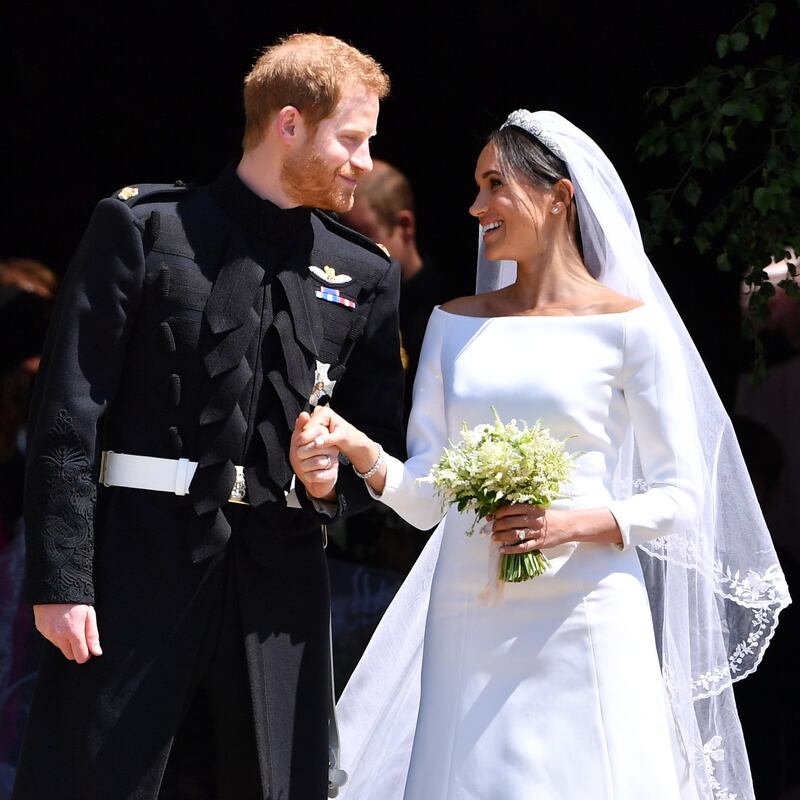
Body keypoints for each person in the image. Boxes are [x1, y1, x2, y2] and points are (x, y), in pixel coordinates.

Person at [291, 111, 791, 799]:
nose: (475, 206)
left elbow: (682, 497)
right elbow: (429, 498)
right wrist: (362, 451)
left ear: (558, 197)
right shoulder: (451, 324)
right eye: (476, 186)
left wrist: (570, 524)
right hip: (468, 606)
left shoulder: (630, 329)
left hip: (586, 607)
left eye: (495, 185)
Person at [13, 33, 404, 800]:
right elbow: (67, 415)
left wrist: (333, 478)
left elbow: (376, 441)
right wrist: (62, 579)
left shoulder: (365, 274)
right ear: (288, 124)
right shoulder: (143, 228)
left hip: (278, 589)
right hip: (135, 569)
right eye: (352, 140)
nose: (364, 162)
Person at [340, 159, 448, 420]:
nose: (348, 248)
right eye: (341, 233)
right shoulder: (343, 294)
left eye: (362, 233)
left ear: (405, 226)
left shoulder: (446, 312)